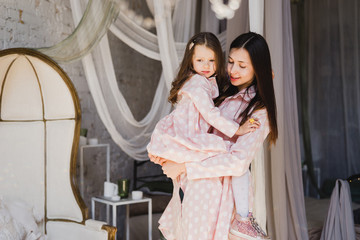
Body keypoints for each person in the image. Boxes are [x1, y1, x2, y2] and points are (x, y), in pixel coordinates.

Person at [158, 32, 278, 240]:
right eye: (230, 62)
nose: (233, 70)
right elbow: (194, 132)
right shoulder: (218, 92)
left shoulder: (259, 112)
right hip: (197, 189)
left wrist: (185, 166)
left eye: (242, 65)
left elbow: (238, 161)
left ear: (258, 68)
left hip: (223, 196)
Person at [147, 32, 259, 165]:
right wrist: (238, 129)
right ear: (191, 61)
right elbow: (210, 113)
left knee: (216, 152)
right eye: (200, 60)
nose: (206, 66)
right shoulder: (198, 83)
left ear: (218, 60)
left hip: (186, 131)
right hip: (187, 134)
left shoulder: (202, 80)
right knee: (223, 149)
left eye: (211, 60)